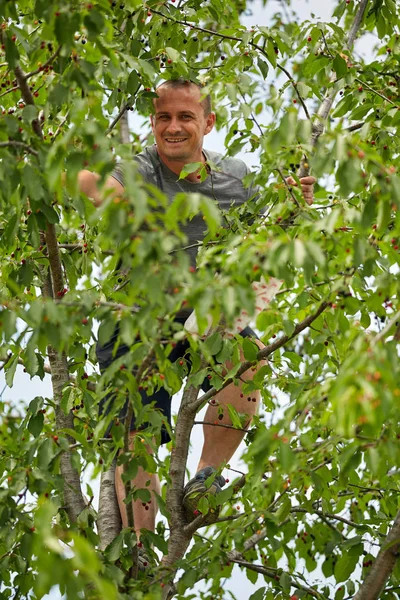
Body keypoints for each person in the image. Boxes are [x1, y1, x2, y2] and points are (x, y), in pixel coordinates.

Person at [78, 79, 315, 541]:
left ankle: (205, 479)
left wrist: (293, 208)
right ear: (151, 124)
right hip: (135, 320)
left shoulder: (235, 177)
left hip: (206, 318)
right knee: (135, 441)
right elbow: (90, 182)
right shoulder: (138, 167)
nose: (173, 127)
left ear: (208, 122)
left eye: (185, 117)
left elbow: (267, 244)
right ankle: (141, 551)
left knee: (247, 360)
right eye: (163, 117)